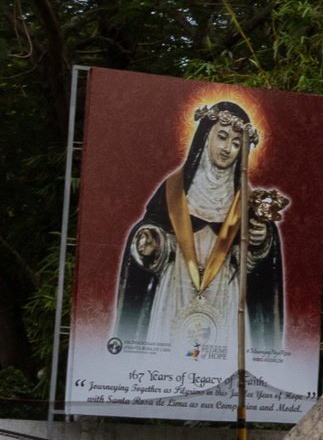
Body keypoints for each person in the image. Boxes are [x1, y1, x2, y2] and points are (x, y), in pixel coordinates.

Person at [113, 96, 289, 362]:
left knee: (218, 362)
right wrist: (154, 242)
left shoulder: (246, 201)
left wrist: (260, 241)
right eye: (222, 137)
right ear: (206, 137)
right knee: (168, 358)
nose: (227, 148)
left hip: (224, 292)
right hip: (176, 285)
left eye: (236, 143)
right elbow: (151, 235)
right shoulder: (174, 189)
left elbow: (253, 267)